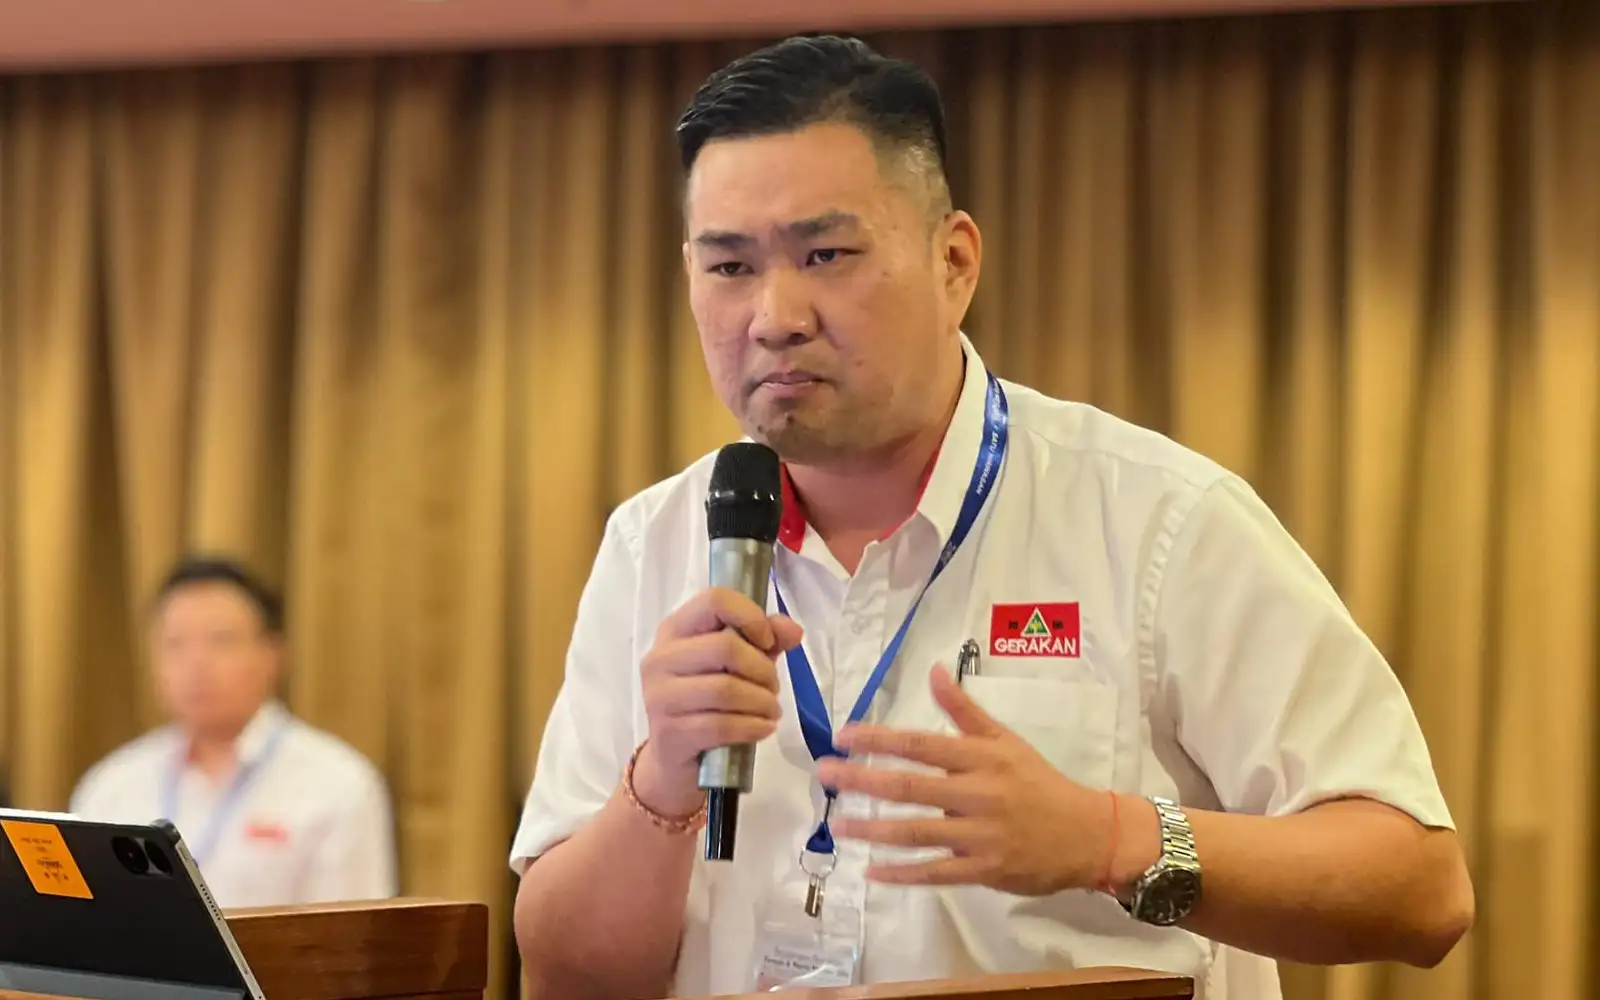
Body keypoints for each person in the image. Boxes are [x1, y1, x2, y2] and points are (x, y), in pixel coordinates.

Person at [509, 34, 1473, 1000]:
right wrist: (662, 781)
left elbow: (1418, 889)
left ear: (954, 262)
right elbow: (560, 974)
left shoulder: (1158, 521)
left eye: (825, 254)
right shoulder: (654, 543)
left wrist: (1109, 837)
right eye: (729, 266)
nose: (775, 316)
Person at [70, 556, 398, 909]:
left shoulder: (337, 785)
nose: (197, 662)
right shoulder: (113, 784)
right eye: (176, 643)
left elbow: (355, 932)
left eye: (220, 640)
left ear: (272, 655)